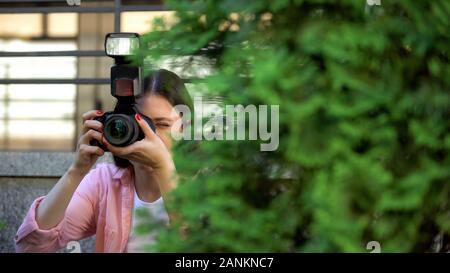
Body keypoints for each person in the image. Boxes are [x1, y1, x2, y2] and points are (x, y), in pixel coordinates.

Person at [14, 69, 193, 252]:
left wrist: (163, 167)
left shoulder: (205, 185)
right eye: (141, 123)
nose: (150, 135)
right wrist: (76, 171)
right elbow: (29, 248)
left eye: (163, 125)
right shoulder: (105, 182)